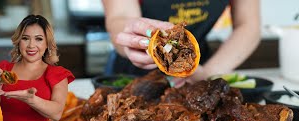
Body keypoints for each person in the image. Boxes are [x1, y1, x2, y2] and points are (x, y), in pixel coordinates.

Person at [102, 0, 260, 87]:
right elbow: (120, 17)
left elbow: (248, 25)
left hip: (201, 69)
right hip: (133, 72)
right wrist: (136, 38)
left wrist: (208, 72)